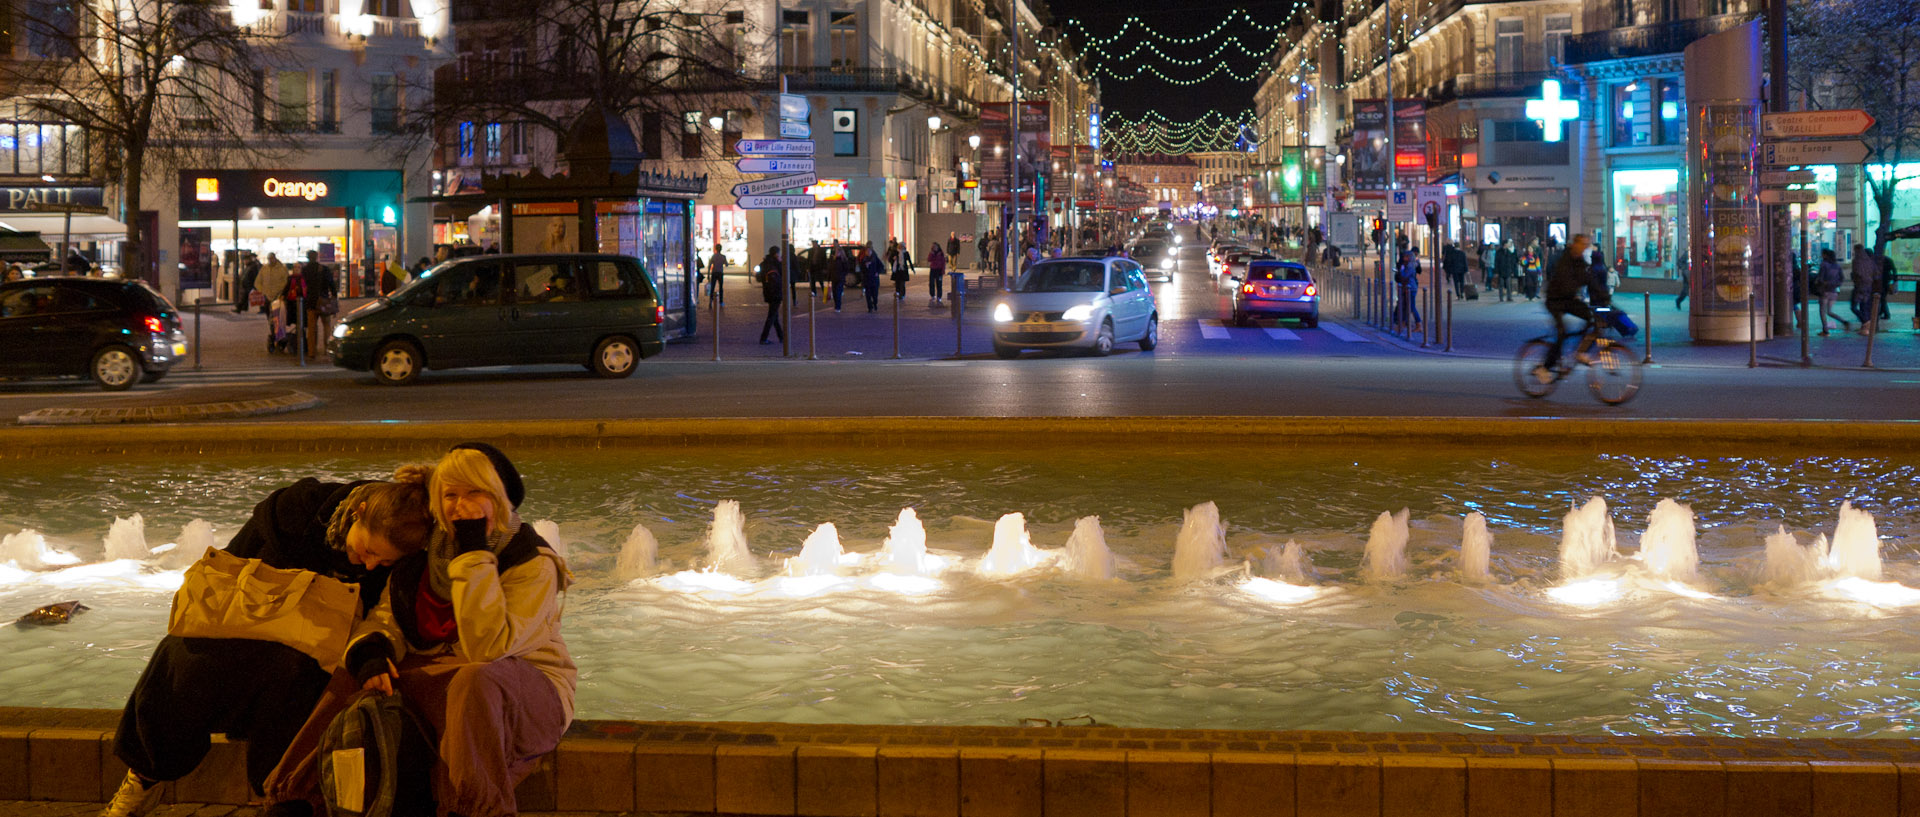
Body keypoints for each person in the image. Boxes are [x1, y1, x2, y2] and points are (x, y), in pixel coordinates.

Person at [102, 467, 435, 817]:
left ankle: (278, 795)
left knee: (298, 681)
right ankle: (144, 777)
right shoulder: (293, 515)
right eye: (367, 550)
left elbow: (382, 618)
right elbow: (226, 572)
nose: (369, 566)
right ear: (358, 513)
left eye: (382, 562)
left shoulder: (397, 556)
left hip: (301, 661)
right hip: (244, 627)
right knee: (183, 657)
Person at [263, 445, 574, 817]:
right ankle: (293, 797)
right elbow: (387, 618)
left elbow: (488, 648)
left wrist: (473, 555)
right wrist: (372, 652)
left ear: (499, 498)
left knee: (475, 679)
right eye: (451, 495)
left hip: (523, 687)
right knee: (357, 675)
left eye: (476, 493)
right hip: (446, 674)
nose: (463, 506)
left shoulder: (531, 562)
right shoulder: (429, 552)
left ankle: (472, 809)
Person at [1538, 233, 1596, 377]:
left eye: (1586, 245)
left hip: (1568, 300)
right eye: (1582, 244)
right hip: (1555, 301)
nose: (1584, 248)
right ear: (1574, 244)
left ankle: (1581, 352)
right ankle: (1544, 368)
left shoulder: (1580, 261)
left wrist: (1604, 298)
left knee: (1592, 318)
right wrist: (1576, 288)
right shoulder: (1564, 259)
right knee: (1561, 333)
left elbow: (1589, 280)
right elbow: (1565, 281)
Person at [299, 251, 335, 361]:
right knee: (327, 326)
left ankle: (311, 352)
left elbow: (302, 285)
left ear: (307, 258)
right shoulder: (324, 269)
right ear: (317, 257)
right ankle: (327, 349)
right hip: (323, 301)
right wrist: (334, 296)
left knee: (311, 328)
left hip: (310, 302)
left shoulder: (304, 270)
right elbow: (331, 284)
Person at [256, 253, 291, 352]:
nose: (270, 260)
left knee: (279, 319)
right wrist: (264, 291)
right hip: (268, 298)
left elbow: (286, 283)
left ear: (275, 258)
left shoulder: (282, 269)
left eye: (272, 258)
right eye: (269, 259)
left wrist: (281, 293)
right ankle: (275, 337)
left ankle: (279, 338)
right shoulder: (264, 269)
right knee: (271, 320)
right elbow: (258, 282)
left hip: (279, 298)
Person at [1815, 248, 1850, 335]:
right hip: (1834, 291)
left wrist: (1821, 283)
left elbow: (1820, 278)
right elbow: (1841, 278)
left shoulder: (1824, 265)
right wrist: (1835, 284)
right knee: (1829, 311)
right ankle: (1844, 321)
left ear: (1826, 255)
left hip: (1825, 291)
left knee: (1822, 312)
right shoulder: (1837, 266)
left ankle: (1825, 330)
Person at [757, 246, 785, 344]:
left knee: (774, 316)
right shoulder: (774, 264)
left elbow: (758, 277)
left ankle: (781, 336)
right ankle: (763, 338)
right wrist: (780, 262)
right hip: (775, 294)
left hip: (768, 292)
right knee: (771, 316)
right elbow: (782, 274)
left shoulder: (765, 263)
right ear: (776, 254)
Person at [1393, 249, 1422, 333]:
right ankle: (1403, 323)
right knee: (1406, 306)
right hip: (1407, 287)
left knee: (1411, 307)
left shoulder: (1410, 266)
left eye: (1406, 256)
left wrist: (1401, 270)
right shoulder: (1407, 265)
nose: (1404, 258)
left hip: (1410, 288)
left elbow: (1404, 275)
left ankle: (1418, 324)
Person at [1850, 244, 1877, 327]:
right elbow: (1876, 273)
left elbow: (1856, 274)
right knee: (1865, 305)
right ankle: (1866, 323)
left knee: (1854, 306)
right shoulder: (1870, 261)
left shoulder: (1856, 261)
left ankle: (1866, 322)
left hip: (1860, 286)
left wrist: (1855, 278)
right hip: (1869, 286)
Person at [861, 244, 884, 312]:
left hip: (874, 279)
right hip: (867, 279)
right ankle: (870, 307)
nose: (868, 252)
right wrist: (865, 266)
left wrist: (877, 272)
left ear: (871, 251)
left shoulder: (875, 258)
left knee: (875, 295)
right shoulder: (864, 259)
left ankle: (875, 303)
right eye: (866, 251)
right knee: (868, 295)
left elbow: (881, 266)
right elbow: (862, 269)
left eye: (869, 251)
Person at [830, 245, 851, 312]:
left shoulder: (843, 260)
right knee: (834, 293)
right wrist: (828, 278)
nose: (836, 253)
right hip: (834, 278)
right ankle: (836, 305)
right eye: (836, 252)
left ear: (841, 253)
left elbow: (847, 269)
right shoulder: (833, 260)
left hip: (840, 278)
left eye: (837, 252)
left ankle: (838, 307)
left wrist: (842, 275)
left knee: (837, 292)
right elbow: (830, 269)